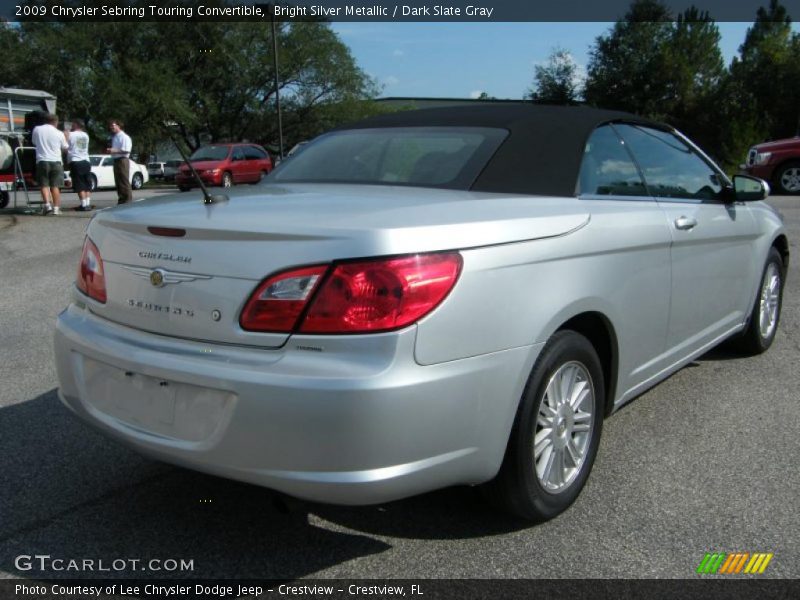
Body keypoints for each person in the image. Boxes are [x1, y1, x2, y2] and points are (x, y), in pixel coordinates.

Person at [31, 113, 67, 215]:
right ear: (55, 122)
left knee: (44, 184)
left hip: (42, 160)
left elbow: (34, 142)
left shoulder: (37, 129)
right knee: (55, 186)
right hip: (56, 161)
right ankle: (56, 208)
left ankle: (47, 205)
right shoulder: (59, 133)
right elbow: (65, 147)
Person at [65, 119, 93, 211]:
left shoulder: (71, 134)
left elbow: (65, 144)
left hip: (76, 160)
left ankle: (83, 204)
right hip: (86, 160)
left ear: (76, 125)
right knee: (87, 182)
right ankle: (88, 203)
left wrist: (66, 132)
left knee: (79, 183)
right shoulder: (85, 135)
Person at [106, 119, 132, 204]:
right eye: (110, 126)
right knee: (118, 182)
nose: (111, 127)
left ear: (118, 126)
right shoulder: (114, 137)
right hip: (116, 160)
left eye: (113, 126)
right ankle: (121, 200)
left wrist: (114, 150)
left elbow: (126, 150)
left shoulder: (124, 137)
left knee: (124, 181)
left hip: (123, 160)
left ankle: (127, 201)